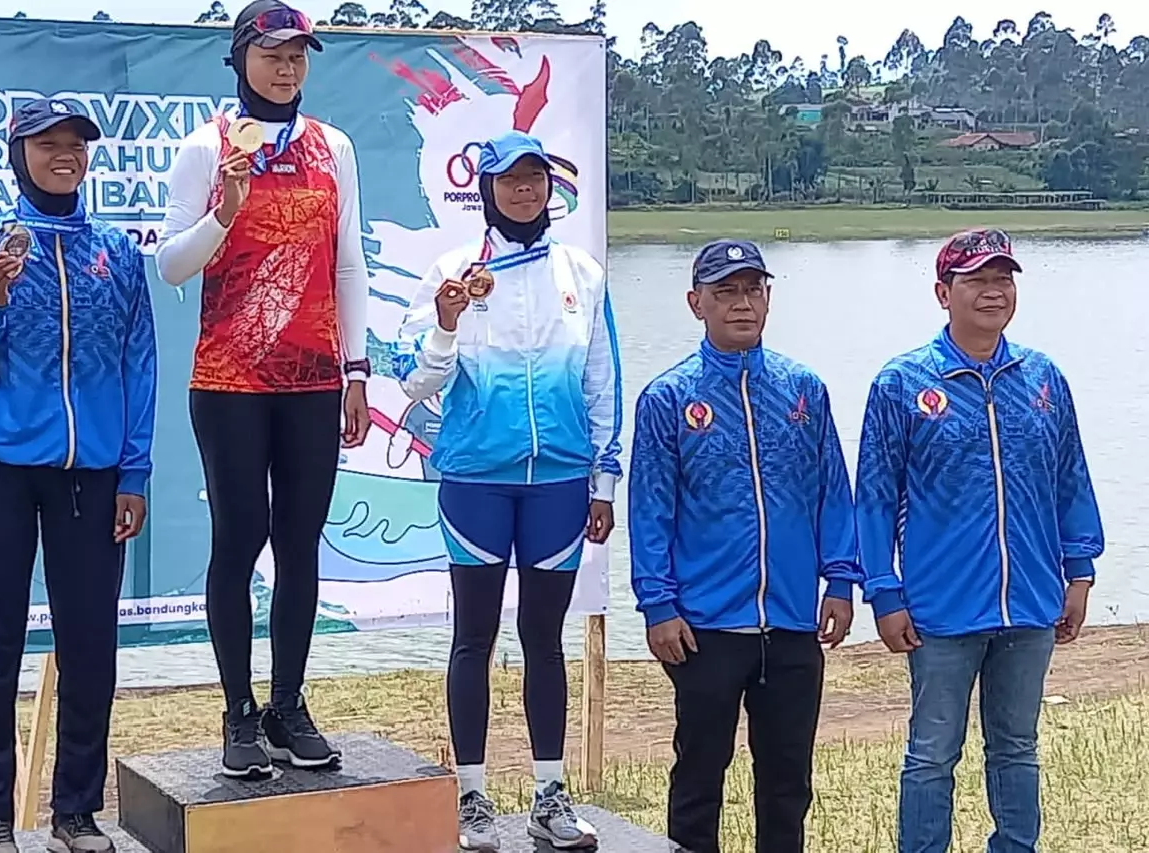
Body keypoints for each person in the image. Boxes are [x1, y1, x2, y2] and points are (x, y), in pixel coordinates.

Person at [0, 99, 156, 853]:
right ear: (17, 152)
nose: (64, 154)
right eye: (46, 143)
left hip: (90, 478)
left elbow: (138, 362)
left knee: (91, 645)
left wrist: (136, 467)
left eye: (75, 144)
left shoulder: (116, 252)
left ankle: (76, 812)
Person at [154, 0, 371, 779]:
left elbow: (349, 263)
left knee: (301, 546)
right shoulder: (203, 147)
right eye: (273, 54)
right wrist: (225, 211)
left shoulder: (332, 147)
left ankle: (288, 704)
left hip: (314, 377)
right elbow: (172, 264)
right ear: (241, 57)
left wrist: (356, 368)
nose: (287, 68)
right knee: (239, 542)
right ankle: (238, 711)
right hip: (230, 380)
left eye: (299, 56)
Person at [392, 130, 622, 852]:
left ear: (550, 187)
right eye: (510, 179)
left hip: (557, 482)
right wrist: (446, 325)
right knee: (474, 638)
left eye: (536, 178)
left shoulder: (580, 273)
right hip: (475, 482)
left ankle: (549, 796)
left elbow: (602, 383)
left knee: (544, 640)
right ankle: (471, 799)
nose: (525, 190)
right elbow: (412, 381)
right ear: (486, 188)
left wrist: (603, 481)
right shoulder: (452, 271)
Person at [854, 229, 1105, 853]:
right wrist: (883, 590)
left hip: (1032, 602)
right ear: (944, 293)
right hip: (941, 607)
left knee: (1017, 747)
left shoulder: (1042, 378)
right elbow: (875, 498)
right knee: (932, 753)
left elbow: (1070, 478)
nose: (994, 291)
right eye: (976, 280)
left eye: (1004, 278)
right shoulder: (902, 383)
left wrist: (1080, 572)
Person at [627, 239, 861, 853]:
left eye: (752, 289)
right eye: (725, 291)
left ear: (768, 297)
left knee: (787, 784)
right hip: (705, 628)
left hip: (790, 624)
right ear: (695, 302)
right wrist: (658, 604)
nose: (741, 303)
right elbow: (650, 509)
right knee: (700, 777)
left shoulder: (803, 390)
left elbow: (832, 490)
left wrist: (840, 579)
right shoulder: (668, 399)